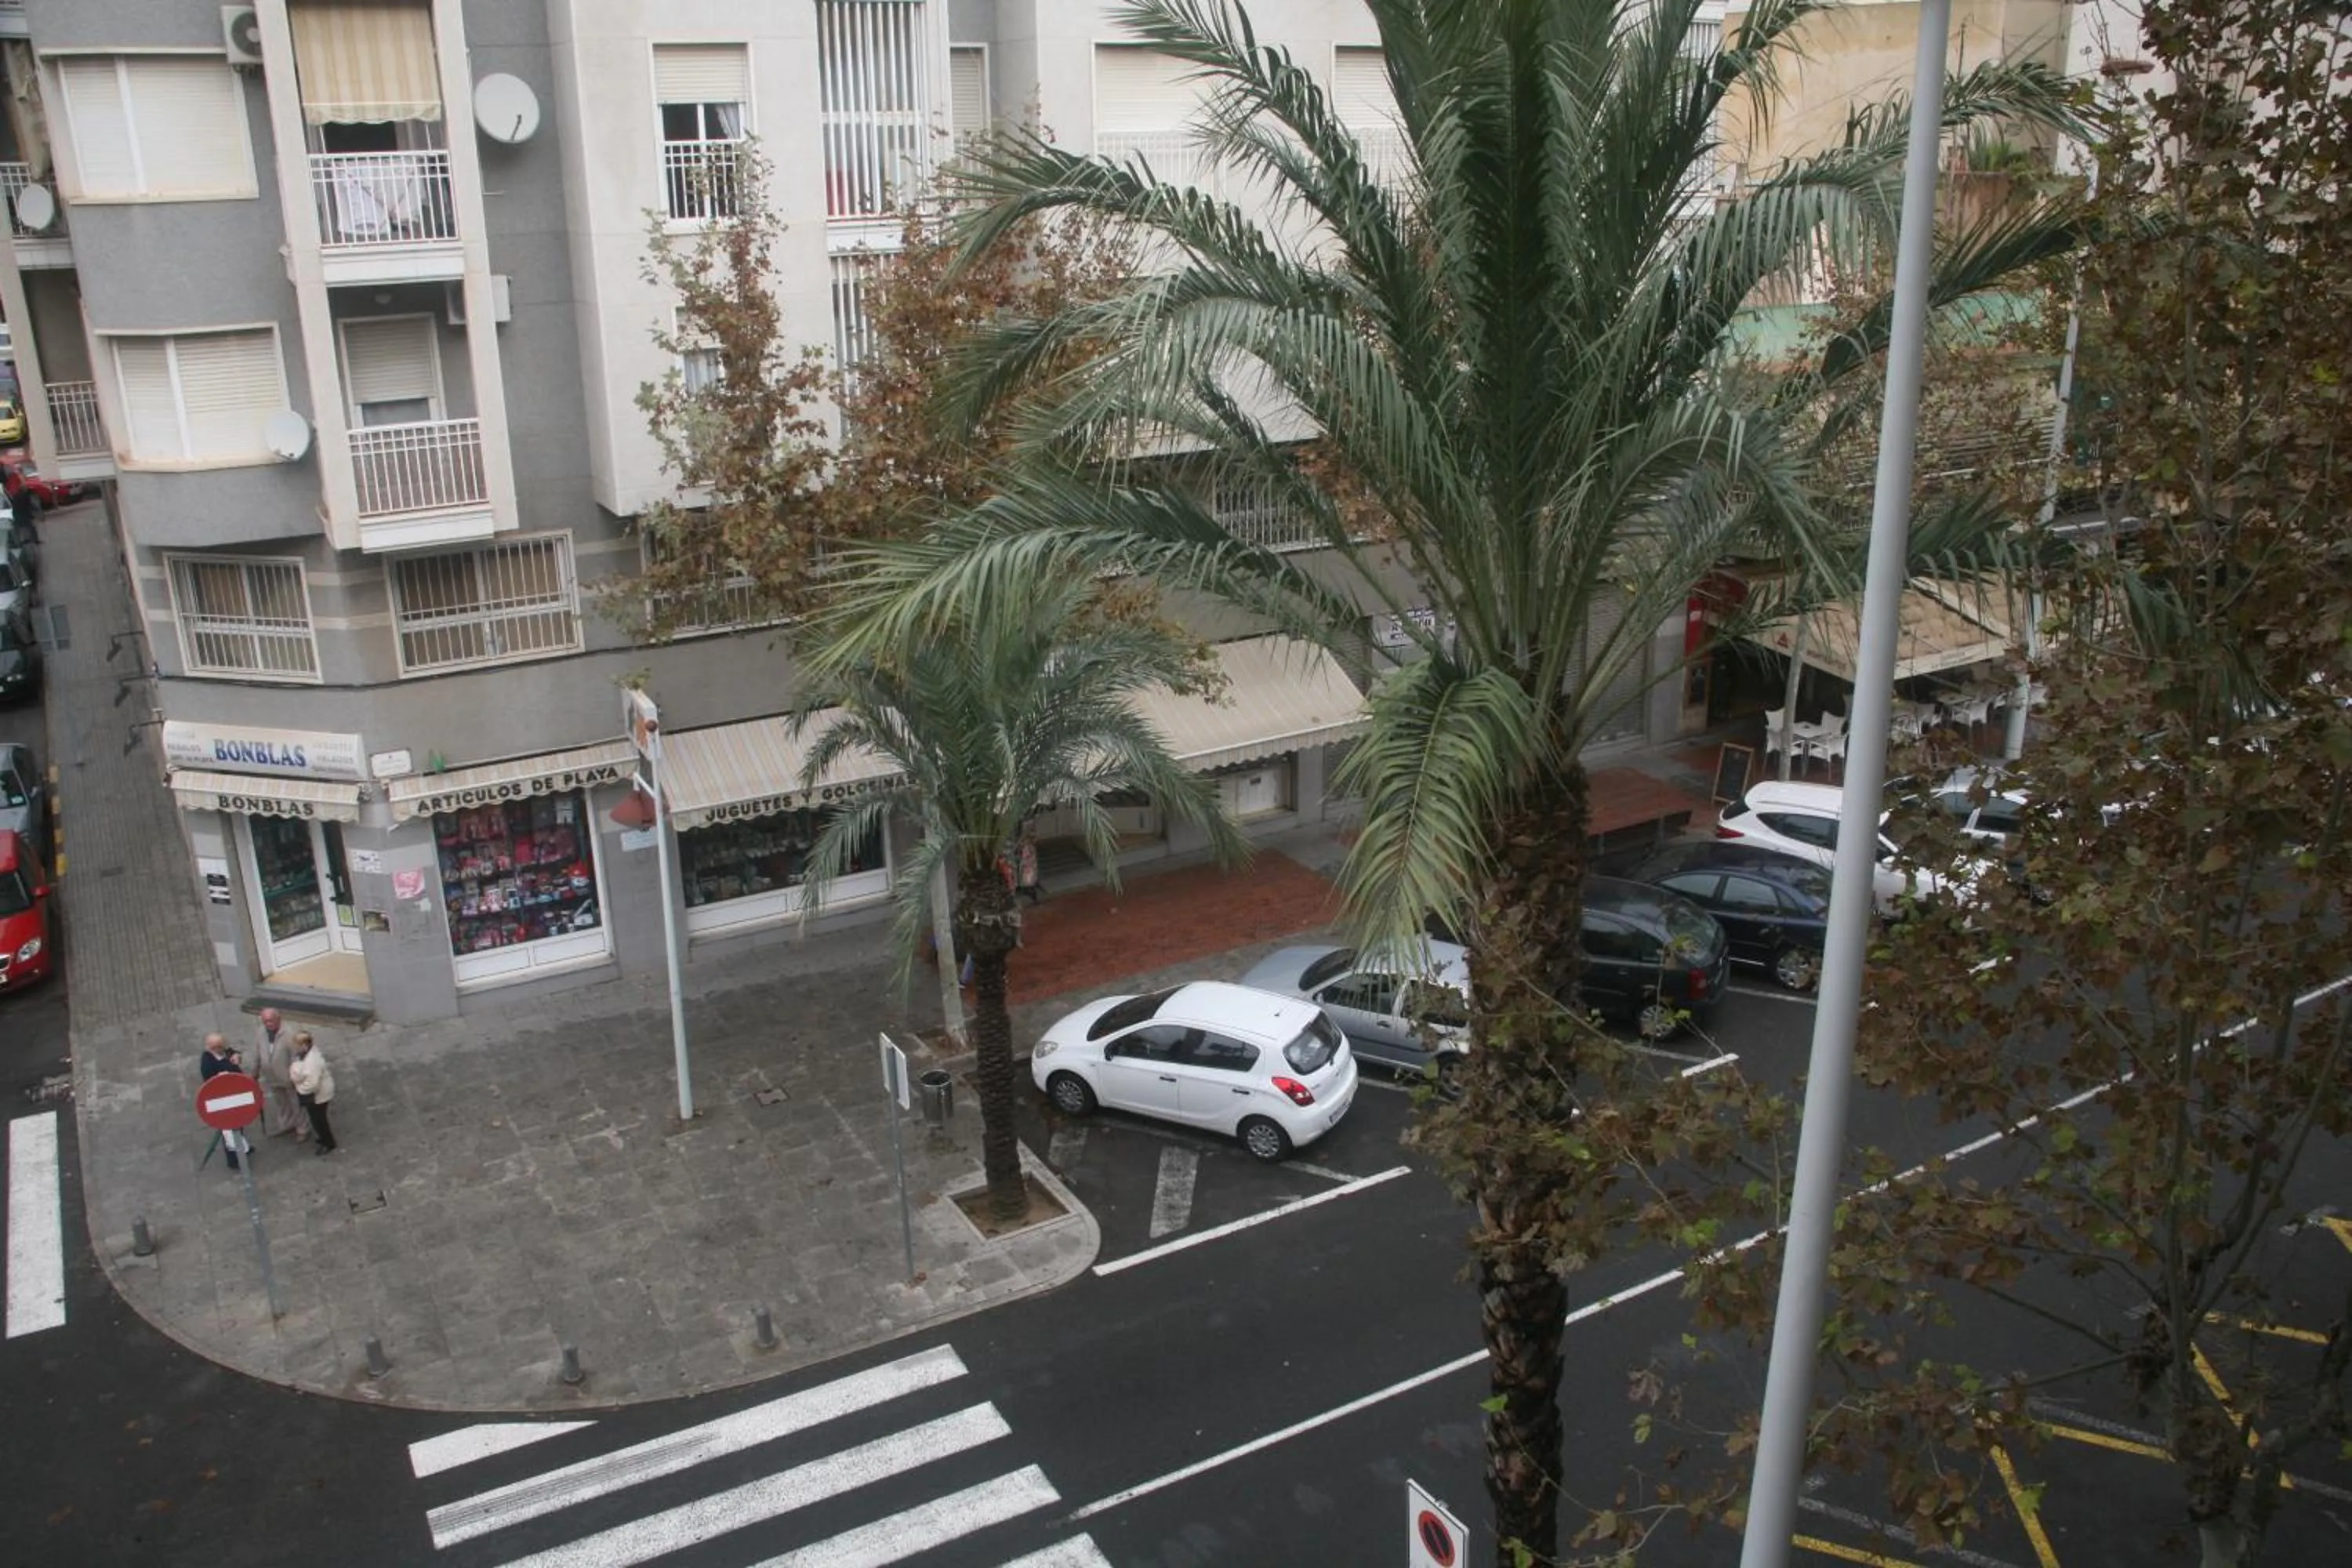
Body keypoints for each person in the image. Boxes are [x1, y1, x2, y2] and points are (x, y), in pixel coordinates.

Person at [198, 1033, 249, 1171]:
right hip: (224, 1100)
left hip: (235, 1094)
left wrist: (237, 1056)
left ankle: (242, 1148)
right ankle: (234, 1159)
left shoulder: (223, 1051)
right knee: (228, 1130)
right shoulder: (208, 1063)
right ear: (213, 1047)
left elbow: (233, 1052)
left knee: (239, 1125)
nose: (223, 1048)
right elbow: (212, 1084)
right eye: (220, 1046)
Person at [252, 1008, 304, 1142]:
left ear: (278, 1019)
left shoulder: (289, 1034)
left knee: (296, 1104)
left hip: (288, 1078)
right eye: (265, 1021)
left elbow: (295, 1057)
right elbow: (258, 1053)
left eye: (271, 1021)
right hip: (272, 1077)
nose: (268, 1024)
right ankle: (287, 1124)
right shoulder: (261, 1033)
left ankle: (302, 1128)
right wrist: (255, 1072)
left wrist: (295, 1074)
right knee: (281, 1103)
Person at [289, 1033, 338, 1156]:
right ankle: (324, 1138)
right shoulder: (307, 1054)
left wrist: (299, 1088)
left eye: (297, 1046)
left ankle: (328, 1143)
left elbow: (312, 1084)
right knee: (316, 1119)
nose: (295, 1048)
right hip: (318, 1093)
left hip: (319, 1095)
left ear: (304, 1045)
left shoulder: (312, 1062)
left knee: (319, 1120)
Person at [1015, 827, 1044, 906]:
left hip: (1029, 867)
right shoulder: (1024, 847)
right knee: (1028, 882)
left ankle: (1032, 896)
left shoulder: (1029, 847)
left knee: (1030, 882)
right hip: (1026, 867)